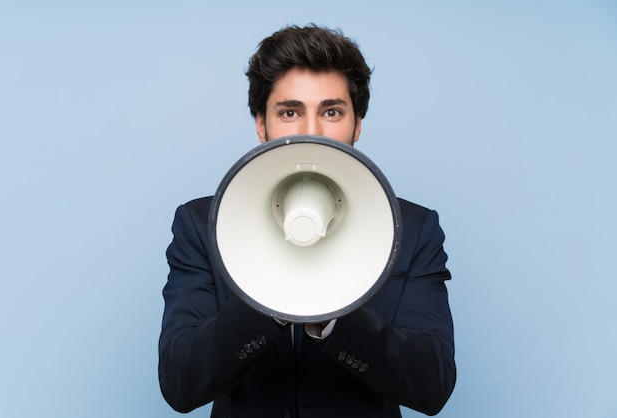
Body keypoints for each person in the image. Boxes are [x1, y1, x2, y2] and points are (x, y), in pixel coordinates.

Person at [159, 25, 456, 417]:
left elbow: (432, 386)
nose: (312, 131)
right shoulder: (202, 224)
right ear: (261, 125)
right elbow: (181, 384)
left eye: (331, 112)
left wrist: (336, 316)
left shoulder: (413, 229)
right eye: (289, 112)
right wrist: (268, 296)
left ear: (357, 124)